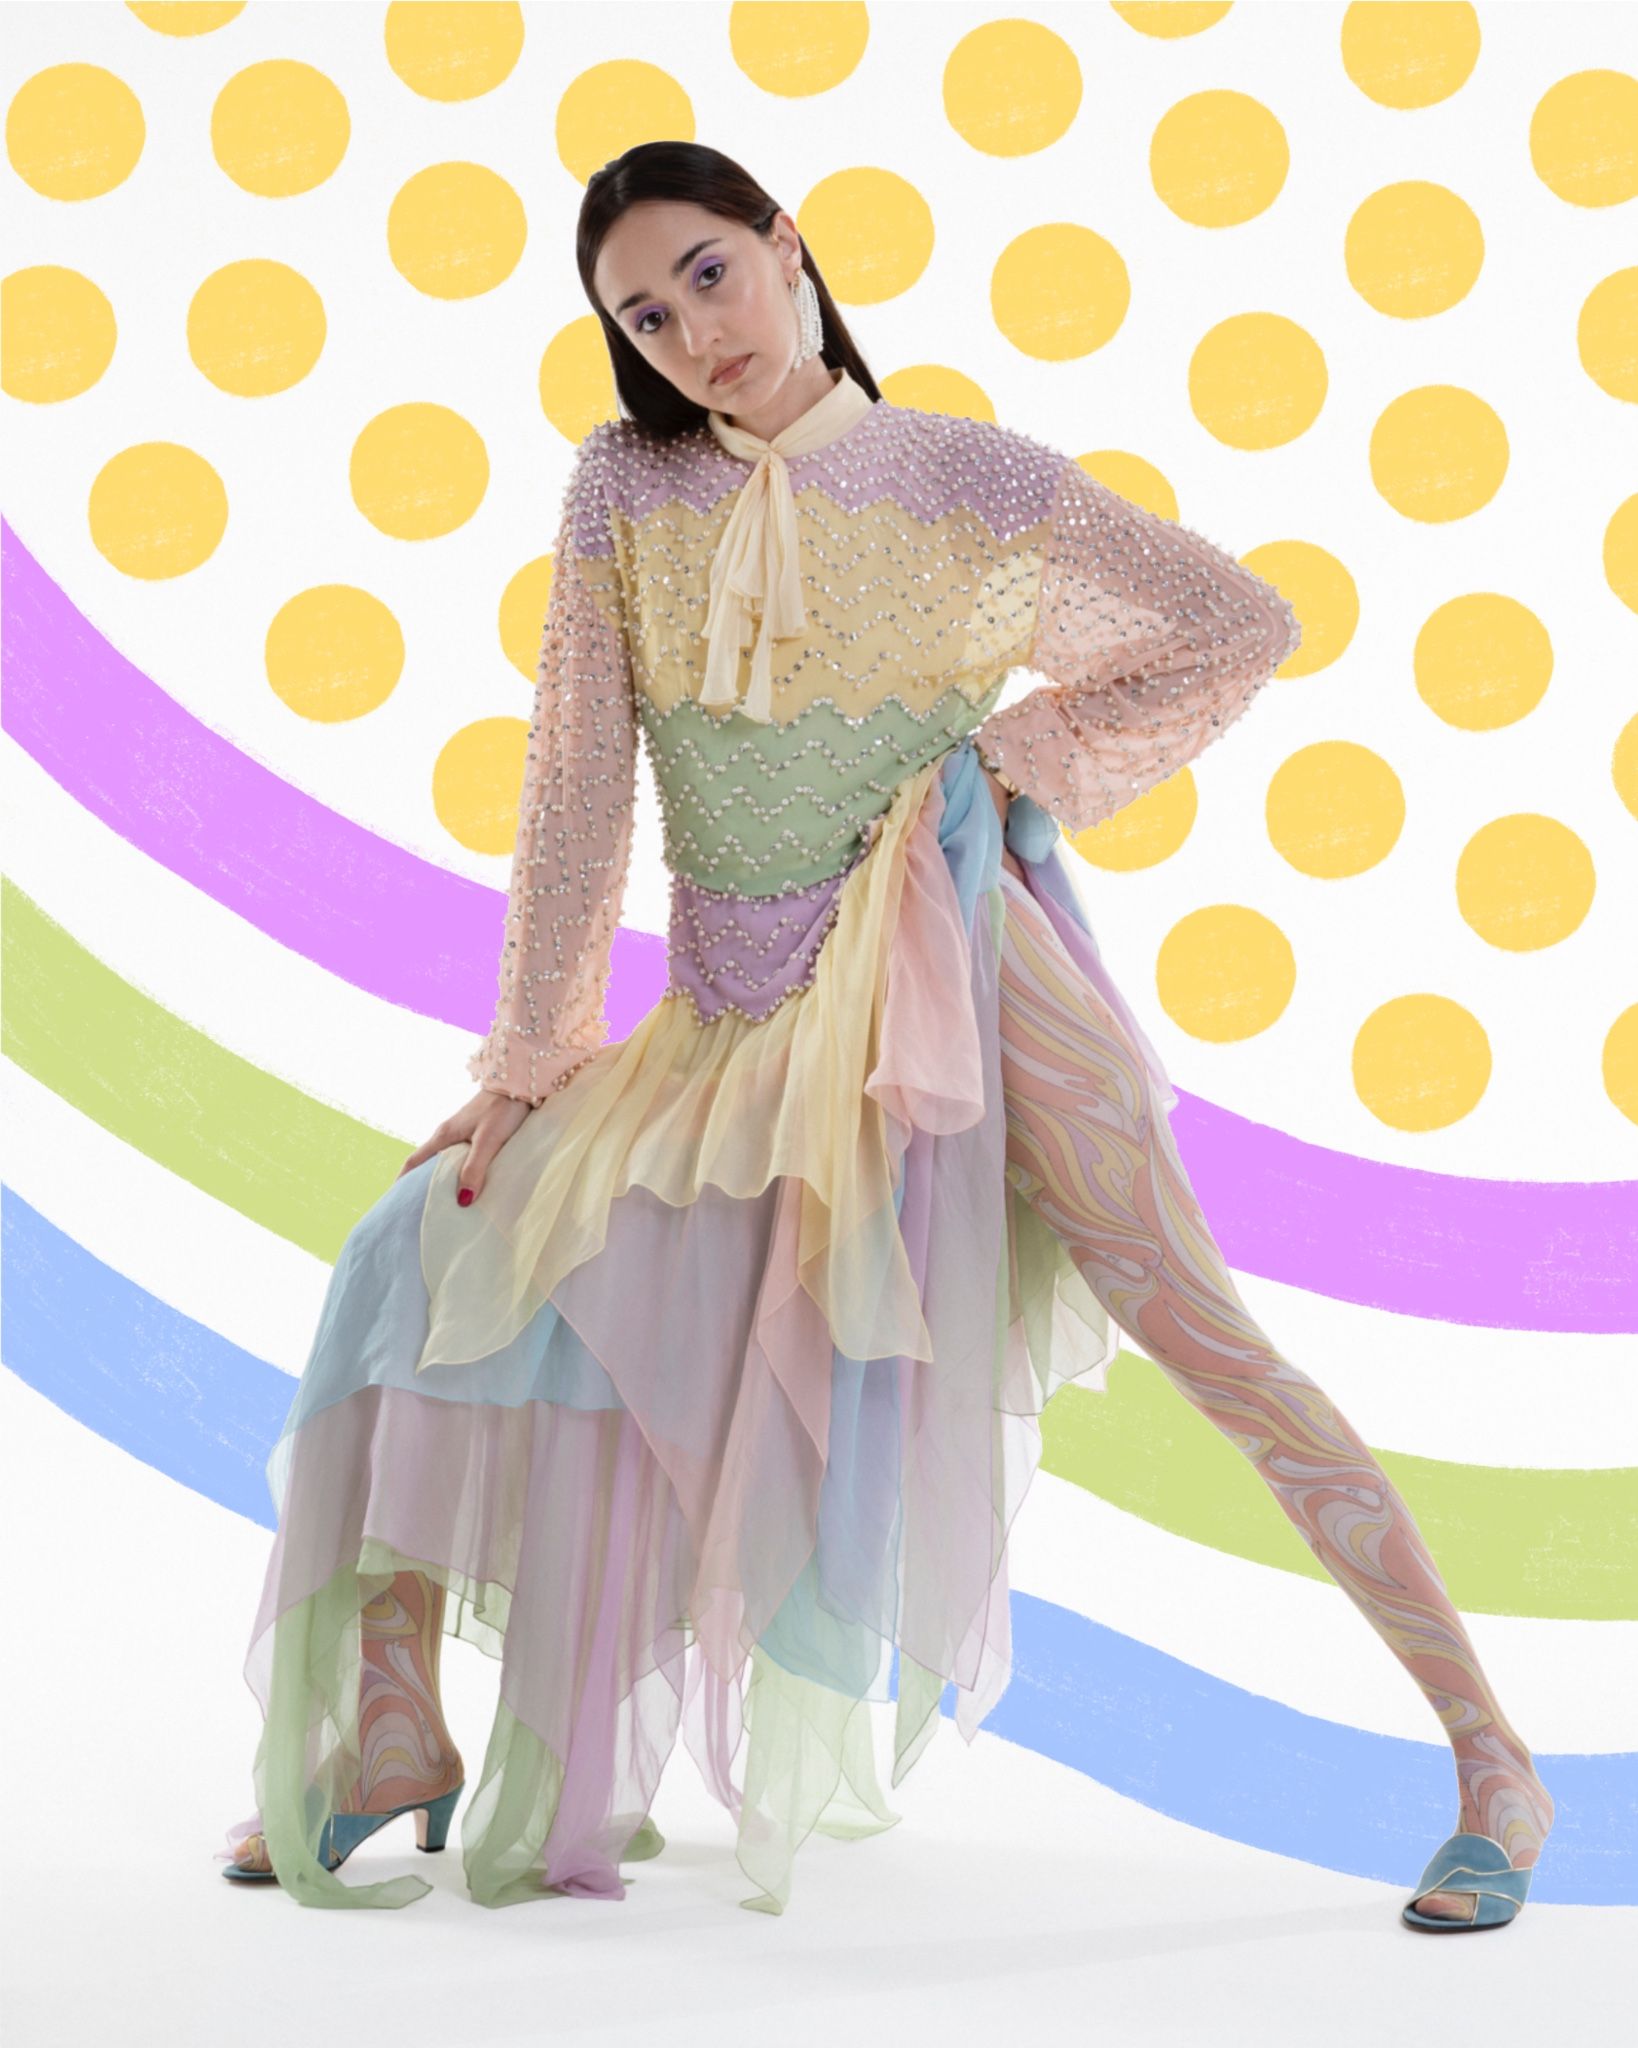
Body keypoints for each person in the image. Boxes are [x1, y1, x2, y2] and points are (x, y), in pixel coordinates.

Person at [218, 141, 1553, 1930]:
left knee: (1204, 1332)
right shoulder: (623, 487)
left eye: (707, 273)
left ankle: (1490, 1761)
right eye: (642, 315)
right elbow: (576, 785)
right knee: (418, 1246)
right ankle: (395, 1729)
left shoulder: (964, 477)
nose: (690, 330)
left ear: (787, 248)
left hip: (955, 983)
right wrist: (526, 1066)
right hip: (729, 1024)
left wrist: (1005, 762)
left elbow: (1238, 622)